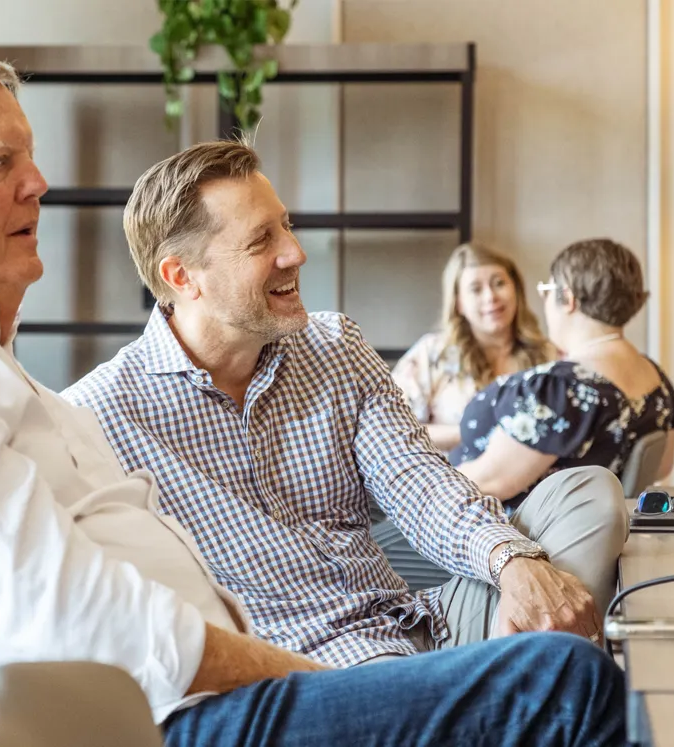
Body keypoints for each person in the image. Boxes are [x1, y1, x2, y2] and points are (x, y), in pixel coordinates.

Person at [0, 50, 626, 747]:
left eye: (30, 160)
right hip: (189, 713)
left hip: (250, 679)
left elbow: (415, 484)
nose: (39, 185)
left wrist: (504, 567)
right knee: (562, 679)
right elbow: (77, 619)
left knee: (574, 542)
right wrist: (327, 685)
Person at [63, 138, 630, 670]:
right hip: (314, 671)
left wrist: (514, 563)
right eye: (262, 240)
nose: (295, 253)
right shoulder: (95, 416)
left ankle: (502, 681)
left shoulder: (334, 346)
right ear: (182, 276)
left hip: (420, 624)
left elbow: (419, 483)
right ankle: (509, 683)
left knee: (589, 493)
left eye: (286, 226)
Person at [452, 238, 674, 508]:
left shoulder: (560, 387)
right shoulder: (654, 377)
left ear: (567, 298)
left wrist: (419, 480)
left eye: (546, 290)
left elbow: (492, 482)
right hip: (597, 534)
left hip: (516, 542)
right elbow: (661, 466)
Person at [392, 243, 554, 452]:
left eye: (499, 283)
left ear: (516, 289)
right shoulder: (432, 353)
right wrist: (470, 433)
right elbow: (394, 428)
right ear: (458, 302)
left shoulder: (548, 355)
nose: (490, 297)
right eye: (476, 289)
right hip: (449, 480)